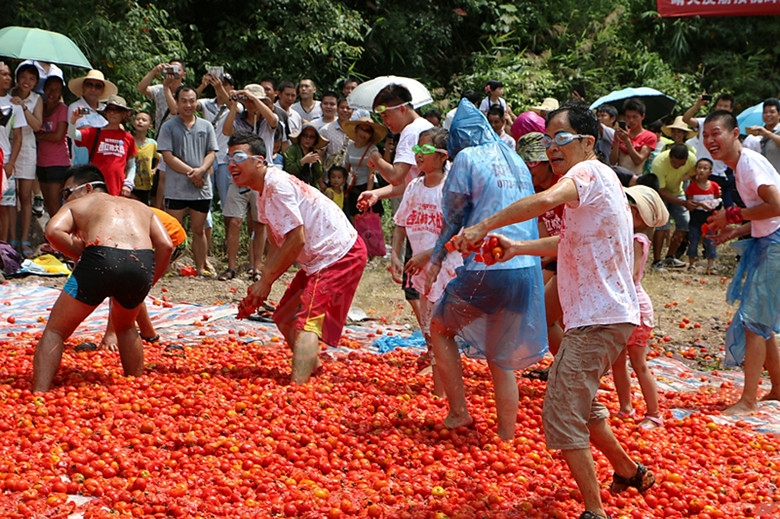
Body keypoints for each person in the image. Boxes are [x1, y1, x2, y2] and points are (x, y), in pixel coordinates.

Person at [454, 103, 654, 519]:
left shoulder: (586, 173)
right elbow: (571, 245)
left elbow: (544, 200)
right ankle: (628, 471)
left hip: (600, 317)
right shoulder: (602, 183)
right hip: (597, 315)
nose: (552, 148)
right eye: (548, 140)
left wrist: (483, 226)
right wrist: (519, 247)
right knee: (582, 403)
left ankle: (595, 512)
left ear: (586, 141)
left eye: (561, 138)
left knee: (562, 413)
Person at [425, 100, 547, 440]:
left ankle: (459, 411)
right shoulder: (516, 159)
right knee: (501, 354)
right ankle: (506, 435)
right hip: (524, 265)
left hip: (488, 266)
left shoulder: (467, 158)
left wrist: (436, 260)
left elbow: (455, 215)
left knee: (440, 326)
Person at [227, 130, 367, 384]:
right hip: (318, 258)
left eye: (238, 156)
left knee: (306, 321)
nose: (231, 165)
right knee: (284, 317)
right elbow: (276, 243)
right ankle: (313, 369)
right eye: (228, 158)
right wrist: (261, 285)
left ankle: (298, 391)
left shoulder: (277, 185)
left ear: (259, 160)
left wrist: (266, 282)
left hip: (338, 253)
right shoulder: (261, 193)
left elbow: (296, 238)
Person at [31, 165, 174, 392]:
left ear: (87, 187)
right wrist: (149, 281)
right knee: (126, 327)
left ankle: (39, 391)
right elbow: (166, 245)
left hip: (100, 256)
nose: (65, 199)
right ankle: (137, 390)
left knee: (56, 330)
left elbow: (52, 231)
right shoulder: (141, 206)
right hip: (141, 262)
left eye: (67, 193)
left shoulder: (80, 204)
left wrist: (81, 253)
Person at [703, 110, 780, 416]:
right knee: (761, 322)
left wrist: (731, 215)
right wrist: (736, 229)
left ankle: (747, 400)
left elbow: (777, 205)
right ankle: (777, 388)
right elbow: (767, 211)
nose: (710, 141)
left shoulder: (748, 163)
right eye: (705, 135)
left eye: (716, 134)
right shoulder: (739, 167)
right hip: (767, 241)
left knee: (753, 322)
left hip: (776, 243)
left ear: (735, 133)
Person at [392, 128, 458, 397]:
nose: (418, 154)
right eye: (417, 149)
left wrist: (429, 255)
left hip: (445, 268)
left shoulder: (450, 189)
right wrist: (396, 255)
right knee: (431, 329)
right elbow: (400, 223)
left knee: (441, 329)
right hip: (422, 269)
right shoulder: (414, 187)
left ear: (442, 156)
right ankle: (440, 392)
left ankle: (446, 392)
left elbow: (456, 232)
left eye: (425, 150)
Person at [612, 185, 668, 431]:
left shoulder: (637, 239)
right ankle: (625, 407)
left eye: (630, 211)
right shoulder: (626, 237)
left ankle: (654, 413)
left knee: (638, 361)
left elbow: (631, 273)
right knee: (617, 360)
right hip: (623, 305)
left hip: (635, 308)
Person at [157, 85, 218, 277]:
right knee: (172, 230)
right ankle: (166, 268)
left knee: (199, 230)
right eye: (184, 100)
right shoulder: (168, 126)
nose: (188, 104)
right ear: (176, 101)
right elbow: (167, 156)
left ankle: (201, 267)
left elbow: (212, 152)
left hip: (201, 188)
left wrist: (201, 171)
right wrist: (194, 173)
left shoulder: (206, 126)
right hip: (176, 188)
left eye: (192, 100)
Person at [137, 59, 187, 208]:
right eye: (170, 68)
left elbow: (175, 110)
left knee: (176, 177)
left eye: (177, 70)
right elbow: (141, 88)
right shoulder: (159, 88)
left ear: (183, 74)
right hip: (162, 138)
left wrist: (167, 88)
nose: (173, 73)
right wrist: (154, 71)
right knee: (161, 178)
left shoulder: (185, 92)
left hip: (180, 138)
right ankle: (159, 210)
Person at [68, 95, 137, 197]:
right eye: (109, 109)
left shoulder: (128, 138)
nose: (112, 113)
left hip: (117, 189)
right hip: (96, 187)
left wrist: (128, 184)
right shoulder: (94, 132)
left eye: (117, 110)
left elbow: (131, 165)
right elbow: (73, 135)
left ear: (123, 114)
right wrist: (73, 120)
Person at [9, 63, 43, 259]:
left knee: (26, 196)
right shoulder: (8, 94)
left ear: (36, 82)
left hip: (28, 149)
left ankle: (24, 239)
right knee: (10, 196)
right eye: (23, 77)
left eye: (31, 79)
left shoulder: (36, 99)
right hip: (9, 148)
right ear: (17, 78)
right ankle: (12, 238)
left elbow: (38, 125)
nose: (26, 81)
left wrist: (23, 108)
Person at [683, 93, 736, 207]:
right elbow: (686, 119)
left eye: (725, 106)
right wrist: (697, 105)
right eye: (719, 105)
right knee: (700, 208)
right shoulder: (704, 122)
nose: (722, 108)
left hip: (721, 173)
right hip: (703, 172)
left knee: (719, 208)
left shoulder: (732, 128)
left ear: (731, 109)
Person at [650, 143, 697, 269]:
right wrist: (683, 203)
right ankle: (656, 261)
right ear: (669, 157)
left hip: (678, 192)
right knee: (662, 226)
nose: (676, 166)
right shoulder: (658, 163)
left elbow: (694, 176)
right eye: (674, 163)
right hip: (661, 194)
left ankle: (670, 256)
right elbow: (661, 191)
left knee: (684, 223)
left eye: (680, 164)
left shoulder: (692, 160)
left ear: (686, 161)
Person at [35, 75, 70, 218]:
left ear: (61, 92)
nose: (52, 93)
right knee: (48, 204)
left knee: (55, 205)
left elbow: (58, 136)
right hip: (41, 161)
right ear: (43, 89)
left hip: (58, 162)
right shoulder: (40, 108)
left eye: (56, 90)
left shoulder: (63, 109)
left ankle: (58, 237)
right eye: (49, 89)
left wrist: (40, 136)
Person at [67, 70, 117, 166]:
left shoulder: (106, 109)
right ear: (83, 87)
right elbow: (85, 131)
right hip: (82, 164)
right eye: (89, 85)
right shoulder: (77, 107)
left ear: (102, 90)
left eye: (98, 86)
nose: (93, 89)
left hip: (105, 163)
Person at [0, 61, 26, 245]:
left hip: (5, 160)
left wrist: (11, 163)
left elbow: (18, 137)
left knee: (4, 207)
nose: (8, 78)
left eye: (9, 74)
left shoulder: (14, 105)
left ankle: (3, 249)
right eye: (3, 74)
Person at [342, 116, 387, 218]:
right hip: (353, 186)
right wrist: (345, 190)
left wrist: (368, 194)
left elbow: (371, 174)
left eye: (368, 131)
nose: (364, 133)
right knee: (356, 217)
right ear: (356, 130)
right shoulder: (350, 147)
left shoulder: (372, 149)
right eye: (362, 129)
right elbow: (346, 168)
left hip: (368, 185)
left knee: (371, 218)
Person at [686, 158, 721, 273]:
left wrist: (712, 207)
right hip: (696, 217)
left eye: (705, 168)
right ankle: (692, 264)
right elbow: (690, 204)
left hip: (710, 218)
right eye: (699, 168)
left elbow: (717, 201)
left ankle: (710, 265)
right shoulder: (692, 187)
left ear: (710, 172)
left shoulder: (714, 186)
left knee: (710, 240)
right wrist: (700, 204)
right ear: (695, 170)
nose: (701, 171)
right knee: (693, 240)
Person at [610, 98, 657, 176]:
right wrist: (617, 141)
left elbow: (638, 160)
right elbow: (612, 161)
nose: (631, 120)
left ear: (643, 116)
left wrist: (627, 141)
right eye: (628, 117)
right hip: (620, 176)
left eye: (635, 117)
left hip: (637, 177)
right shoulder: (621, 134)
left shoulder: (650, 136)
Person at [283, 123, 328, 191]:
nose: (308, 139)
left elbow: (318, 174)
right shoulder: (292, 150)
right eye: (305, 135)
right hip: (294, 187)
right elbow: (288, 170)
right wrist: (303, 161)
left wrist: (317, 162)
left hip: (310, 189)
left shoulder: (314, 152)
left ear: (315, 140)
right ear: (300, 136)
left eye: (312, 137)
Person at [131, 111, 159, 205]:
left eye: (144, 120)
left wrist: (155, 169)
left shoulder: (152, 144)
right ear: (133, 123)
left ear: (150, 126)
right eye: (138, 119)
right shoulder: (129, 141)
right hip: (131, 184)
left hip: (147, 186)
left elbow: (161, 158)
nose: (140, 122)